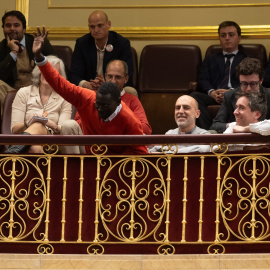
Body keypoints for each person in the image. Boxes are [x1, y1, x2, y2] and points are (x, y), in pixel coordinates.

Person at [33, 26, 147, 155]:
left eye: (106, 106)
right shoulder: (87, 98)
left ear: (118, 103)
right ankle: (73, 171)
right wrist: (39, 57)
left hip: (115, 162)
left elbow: (140, 155)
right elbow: (60, 84)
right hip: (86, 155)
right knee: (69, 125)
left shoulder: (129, 120)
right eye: (98, 103)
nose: (100, 109)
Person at [62, 59, 151, 153]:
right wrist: (98, 125)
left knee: (142, 135)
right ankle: (74, 167)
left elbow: (146, 129)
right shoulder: (93, 96)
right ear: (105, 76)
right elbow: (78, 122)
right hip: (91, 145)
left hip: (118, 149)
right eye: (110, 76)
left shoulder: (132, 99)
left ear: (126, 79)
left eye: (118, 77)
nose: (113, 81)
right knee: (69, 125)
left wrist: (119, 126)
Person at [5, 55, 72, 154]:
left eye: (53, 72)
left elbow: (65, 130)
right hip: (30, 145)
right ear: (39, 72)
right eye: (45, 70)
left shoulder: (65, 97)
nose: (48, 74)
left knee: (39, 124)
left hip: (52, 144)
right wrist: (28, 122)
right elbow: (15, 129)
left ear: (59, 77)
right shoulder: (24, 93)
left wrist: (49, 123)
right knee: (34, 148)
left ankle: (11, 152)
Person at [190, 21, 246, 130]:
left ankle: (235, 134)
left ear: (239, 38)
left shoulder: (246, 59)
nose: (227, 38)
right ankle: (207, 134)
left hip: (237, 95)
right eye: (223, 35)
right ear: (219, 38)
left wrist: (233, 92)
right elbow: (203, 79)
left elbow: (249, 82)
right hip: (215, 96)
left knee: (241, 98)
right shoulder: (211, 59)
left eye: (231, 34)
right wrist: (212, 92)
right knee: (194, 97)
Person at [0, 10, 56, 112]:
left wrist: (39, 55)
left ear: (24, 29)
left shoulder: (38, 42)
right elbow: (1, 76)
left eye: (16, 25)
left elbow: (57, 66)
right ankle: (8, 122)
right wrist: (13, 52)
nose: (12, 28)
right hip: (13, 93)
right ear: (3, 29)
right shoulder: (1, 47)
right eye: (8, 25)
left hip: (38, 90)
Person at [69, 10, 134, 90]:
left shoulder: (121, 43)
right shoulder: (82, 43)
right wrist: (87, 84)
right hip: (88, 89)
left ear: (108, 24)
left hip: (114, 88)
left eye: (100, 25)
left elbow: (128, 74)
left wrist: (107, 84)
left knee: (130, 91)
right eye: (92, 27)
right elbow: (74, 74)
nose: (96, 30)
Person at [210, 57, 270, 133]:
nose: (248, 89)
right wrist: (234, 126)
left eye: (253, 84)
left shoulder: (269, 95)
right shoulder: (229, 96)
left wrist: (246, 128)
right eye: (244, 83)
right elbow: (216, 125)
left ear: (261, 81)